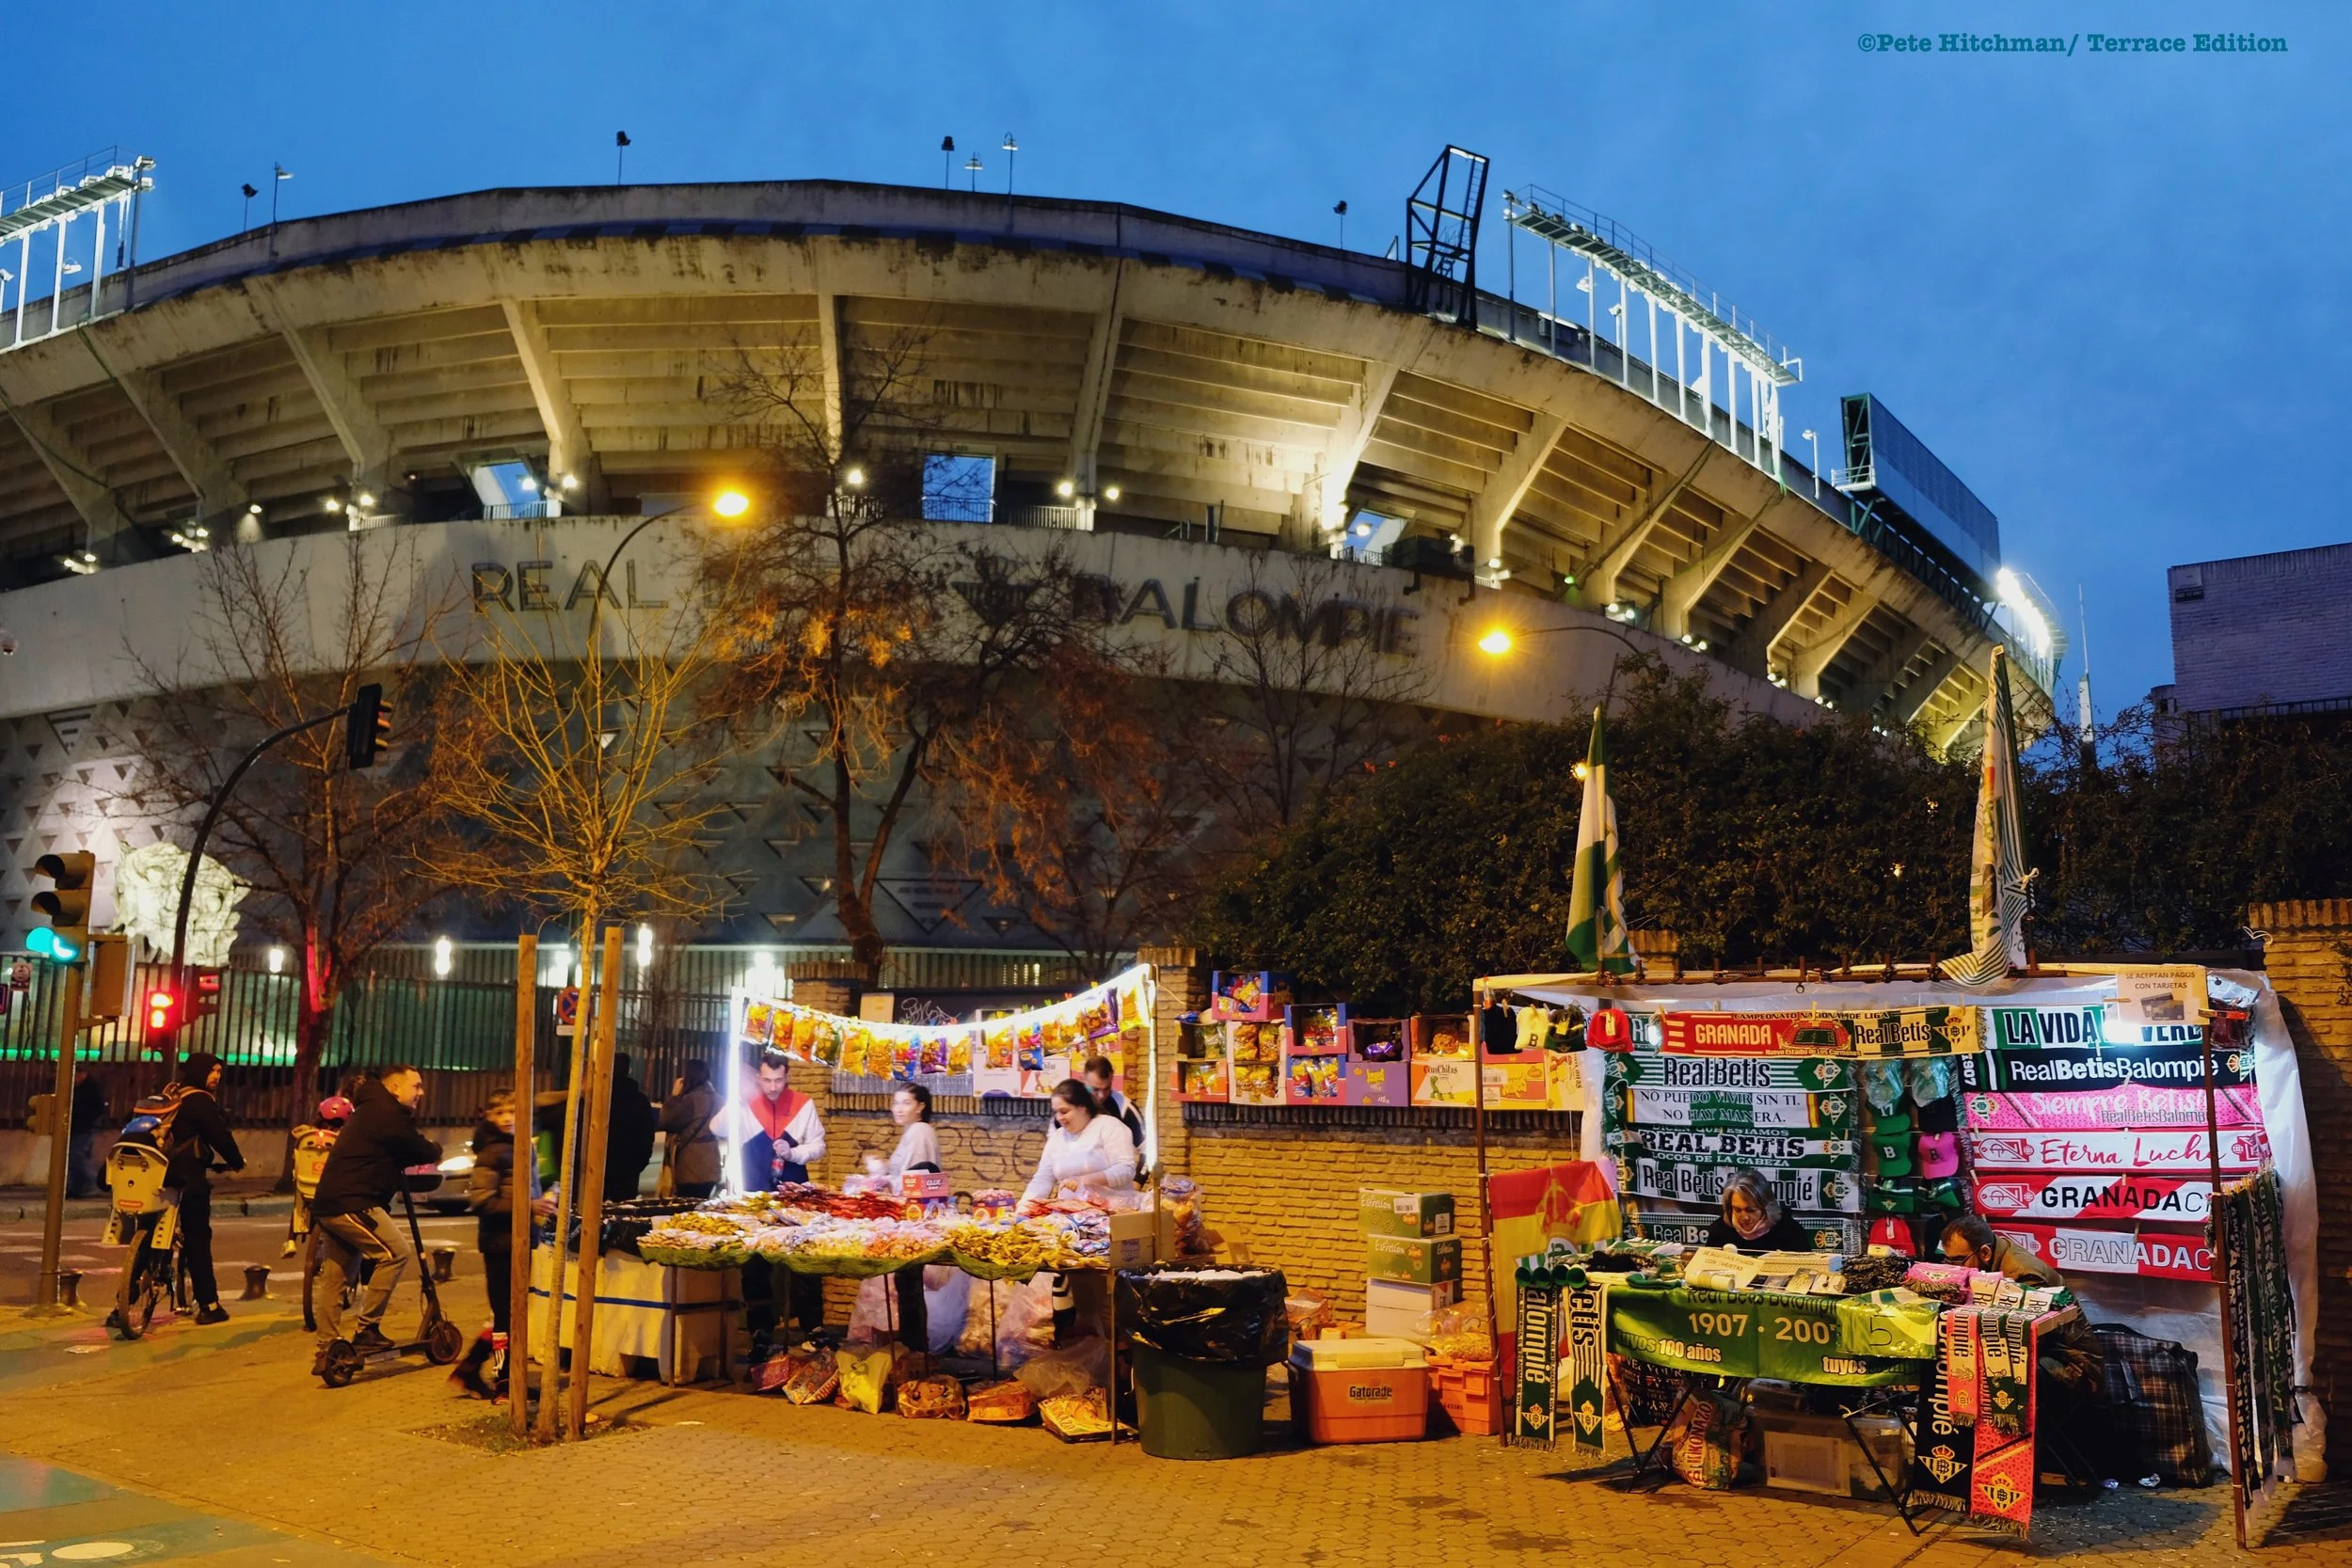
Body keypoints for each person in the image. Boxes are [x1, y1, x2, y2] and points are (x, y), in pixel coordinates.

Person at [310, 1065, 442, 1373]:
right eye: (416, 1086)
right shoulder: (386, 1112)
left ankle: (328, 1346)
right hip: (354, 1201)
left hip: (334, 1201)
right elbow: (416, 1147)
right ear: (395, 1088)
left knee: (336, 1275)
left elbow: (396, 1146)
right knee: (395, 1253)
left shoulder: (372, 1109)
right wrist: (434, 1150)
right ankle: (367, 1330)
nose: (421, 1092)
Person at [453, 1089, 548, 1399]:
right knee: (507, 1315)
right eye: (500, 1113)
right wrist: (529, 1206)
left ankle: (471, 1371)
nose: (507, 1118)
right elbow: (482, 1201)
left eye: (513, 1111)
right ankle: (505, 1384)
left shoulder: (520, 1146)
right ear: (489, 1117)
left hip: (520, 1239)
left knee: (509, 1313)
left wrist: (541, 1204)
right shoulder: (492, 1152)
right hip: (500, 1242)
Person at [726, 1051, 827, 1342]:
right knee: (755, 1263)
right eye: (767, 1080)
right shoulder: (745, 1105)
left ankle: (812, 1327)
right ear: (758, 1078)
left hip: (795, 1196)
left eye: (779, 1080)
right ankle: (760, 1329)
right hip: (755, 1194)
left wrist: (793, 1152)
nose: (773, 1087)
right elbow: (717, 1128)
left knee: (804, 1259)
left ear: (787, 1077)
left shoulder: (803, 1105)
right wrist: (735, 1099)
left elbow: (818, 1146)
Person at [162, 1052, 244, 1325]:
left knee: (150, 1235)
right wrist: (236, 1162)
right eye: (212, 1071)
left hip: (156, 1174)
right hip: (187, 1177)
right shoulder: (199, 1100)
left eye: (219, 1071)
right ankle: (209, 1305)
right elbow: (220, 1135)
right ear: (199, 1071)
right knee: (197, 1237)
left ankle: (122, 1306)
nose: (216, 1076)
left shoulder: (170, 1094)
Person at [884, 1084, 941, 1355]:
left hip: (914, 1218)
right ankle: (912, 1347)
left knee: (909, 1282)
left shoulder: (919, 1131)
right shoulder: (913, 1132)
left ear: (921, 1107)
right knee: (906, 1282)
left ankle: (915, 1349)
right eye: (896, 1102)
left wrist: (883, 1181)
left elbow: (915, 1178)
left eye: (906, 1102)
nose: (898, 1108)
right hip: (909, 1217)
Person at [1022, 1080, 1136, 1203]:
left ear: (1082, 1108)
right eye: (1056, 1112)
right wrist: (1025, 1204)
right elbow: (1043, 1179)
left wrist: (1084, 1180)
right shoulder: (1057, 1137)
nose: (1059, 1118)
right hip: (1068, 1211)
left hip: (1112, 1209)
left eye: (1064, 1112)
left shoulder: (1109, 1126)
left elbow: (1125, 1169)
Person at [282, 1094, 353, 1258]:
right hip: (334, 1187)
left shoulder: (307, 1135)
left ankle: (290, 1240)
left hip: (306, 1185)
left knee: (299, 1202)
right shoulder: (344, 1138)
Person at [656, 1059, 723, 1201]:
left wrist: (674, 1097)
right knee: (703, 1205)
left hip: (690, 1166)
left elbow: (665, 1121)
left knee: (688, 1206)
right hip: (711, 1165)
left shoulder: (690, 1100)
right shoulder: (718, 1099)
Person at [1704, 1168, 1813, 1253]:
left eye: (1751, 1210)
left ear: (1766, 1207)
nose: (1745, 1217)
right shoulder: (1719, 1230)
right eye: (1737, 1210)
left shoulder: (1790, 1231)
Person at [603, 1053, 659, 1205]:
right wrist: (640, 1163)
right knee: (625, 1210)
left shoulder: (598, 1097)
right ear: (629, 1070)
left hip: (599, 1166)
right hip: (628, 1169)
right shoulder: (639, 1101)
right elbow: (647, 1134)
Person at [1081, 1056, 1145, 1157]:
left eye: (1107, 1088)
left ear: (1112, 1078)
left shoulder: (1125, 1108)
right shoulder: (1070, 1106)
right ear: (1083, 1079)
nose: (1101, 1095)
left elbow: (1146, 1149)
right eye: (1095, 1089)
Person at [66, 1068, 107, 1198]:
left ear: (83, 1074)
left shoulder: (90, 1089)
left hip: (85, 1127)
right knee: (76, 1157)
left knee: (76, 1156)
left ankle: (96, 1183)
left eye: (76, 1075)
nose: (75, 1079)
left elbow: (95, 1108)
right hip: (81, 1127)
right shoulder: (84, 1088)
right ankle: (77, 1188)